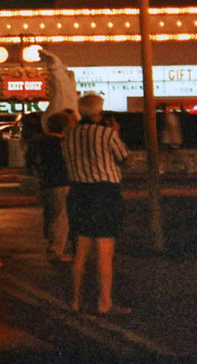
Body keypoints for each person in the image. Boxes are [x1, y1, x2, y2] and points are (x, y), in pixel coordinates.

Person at [61, 94, 130, 315]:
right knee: (104, 249)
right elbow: (124, 159)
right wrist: (116, 133)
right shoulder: (107, 134)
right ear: (99, 111)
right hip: (105, 192)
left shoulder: (69, 134)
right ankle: (104, 302)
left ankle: (76, 300)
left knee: (80, 249)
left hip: (79, 191)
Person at [38, 109, 75, 262]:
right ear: (65, 127)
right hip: (61, 182)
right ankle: (56, 250)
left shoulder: (42, 142)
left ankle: (53, 246)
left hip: (47, 182)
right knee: (61, 218)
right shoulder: (61, 144)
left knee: (52, 215)